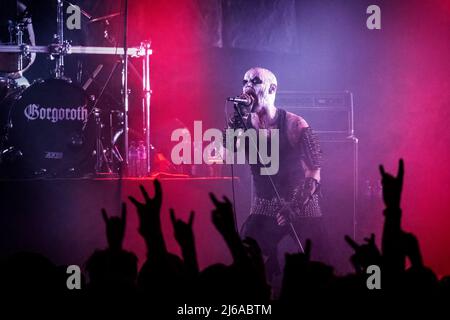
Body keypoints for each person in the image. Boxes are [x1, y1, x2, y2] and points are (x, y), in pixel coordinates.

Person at [224, 67, 323, 280]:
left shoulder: (295, 124)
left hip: (301, 205)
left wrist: (296, 205)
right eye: (245, 82)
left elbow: (314, 170)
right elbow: (227, 151)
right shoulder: (243, 124)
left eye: (255, 81)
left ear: (271, 88)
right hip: (264, 206)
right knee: (247, 257)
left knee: (317, 262)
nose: (248, 86)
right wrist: (237, 119)